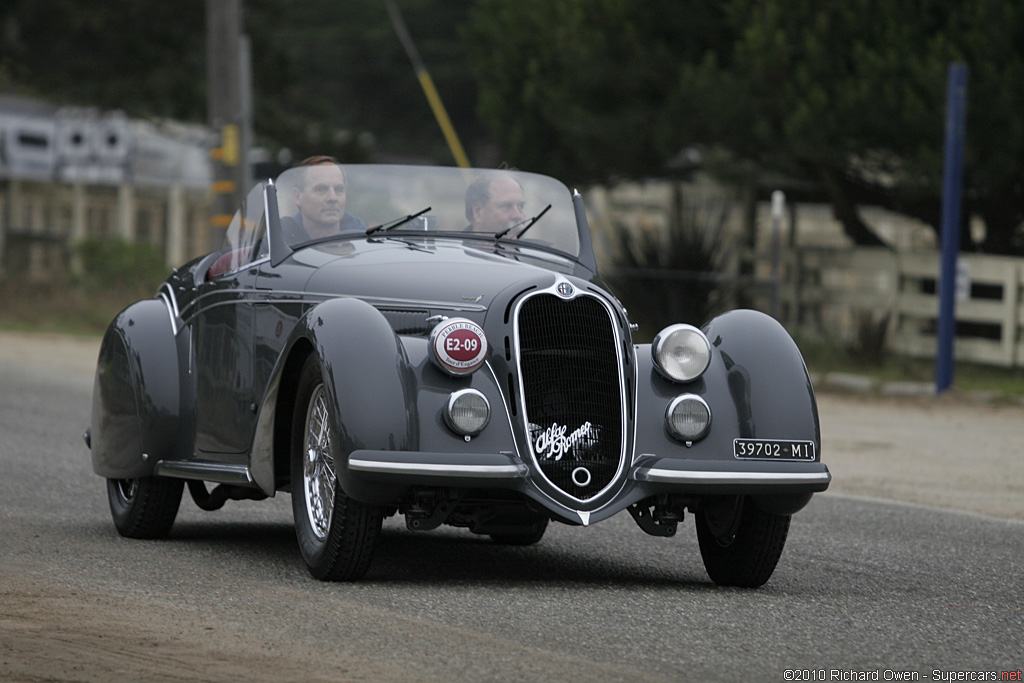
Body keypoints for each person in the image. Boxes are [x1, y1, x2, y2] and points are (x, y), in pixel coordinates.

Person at [286, 155, 366, 241]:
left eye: (339, 189)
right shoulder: (278, 243)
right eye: (321, 189)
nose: (333, 198)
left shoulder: (361, 239)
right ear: (297, 197)